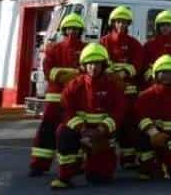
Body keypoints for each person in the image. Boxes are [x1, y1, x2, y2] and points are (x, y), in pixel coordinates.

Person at [50, 43, 125, 189]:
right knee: (63, 133)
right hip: (81, 131)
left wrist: (101, 130)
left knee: (100, 179)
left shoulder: (113, 86)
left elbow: (119, 111)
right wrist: (82, 129)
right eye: (89, 63)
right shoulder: (74, 85)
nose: (93, 67)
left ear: (104, 65)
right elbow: (66, 111)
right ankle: (65, 177)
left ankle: (90, 162)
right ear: (84, 65)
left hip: (103, 133)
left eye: (97, 63)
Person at [29, 13, 87, 177]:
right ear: (63, 29)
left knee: (74, 131)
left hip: (76, 99)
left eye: (75, 29)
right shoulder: (54, 48)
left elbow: (89, 70)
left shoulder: (85, 48)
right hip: (55, 99)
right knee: (47, 131)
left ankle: (75, 164)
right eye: (69, 28)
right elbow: (48, 70)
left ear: (80, 30)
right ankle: (38, 164)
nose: (72, 31)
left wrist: (67, 74)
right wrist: (71, 74)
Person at [100, 5, 144, 168]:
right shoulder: (103, 42)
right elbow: (101, 61)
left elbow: (138, 63)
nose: (121, 25)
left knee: (129, 126)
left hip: (129, 92)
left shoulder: (134, 44)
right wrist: (113, 74)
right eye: (118, 22)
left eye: (124, 22)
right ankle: (104, 159)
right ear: (113, 23)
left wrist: (124, 74)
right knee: (109, 125)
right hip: (110, 91)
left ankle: (128, 160)